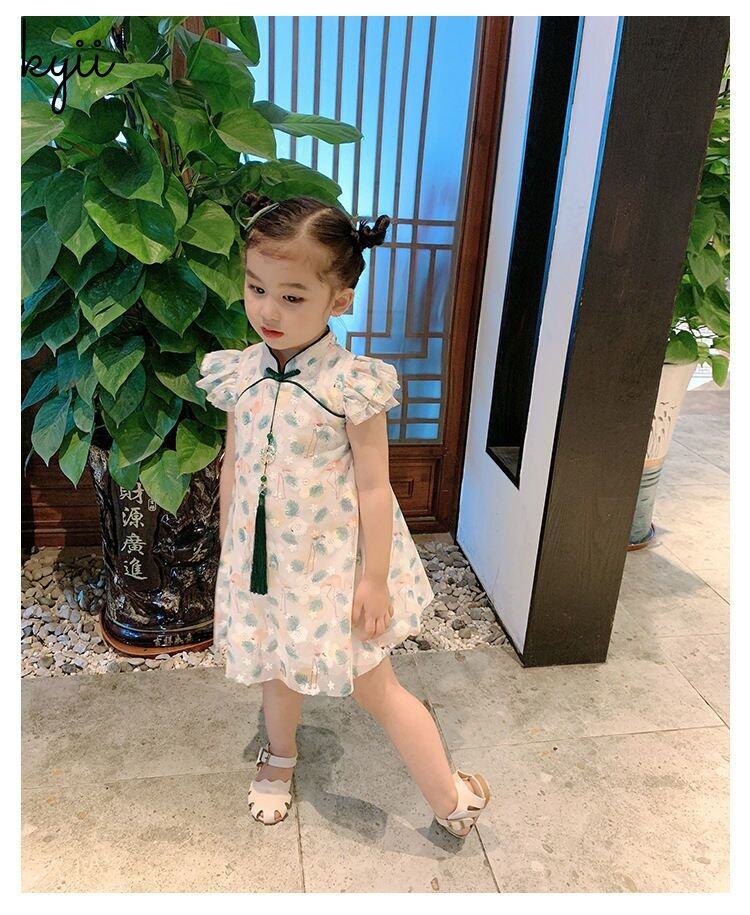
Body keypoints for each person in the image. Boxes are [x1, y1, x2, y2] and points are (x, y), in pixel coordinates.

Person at [196, 193, 490, 837]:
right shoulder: (239, 373)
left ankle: (450, 795)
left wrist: (374, 579)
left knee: (375, 686)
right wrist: (229, 551)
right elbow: (234, 467)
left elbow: (376, 489)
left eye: (292, 296)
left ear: (339, 300)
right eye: (256, 288)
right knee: (275, 664)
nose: (268, 311)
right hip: (263, 567)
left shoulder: (351, 384)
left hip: (333, 570)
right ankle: (279, 758)